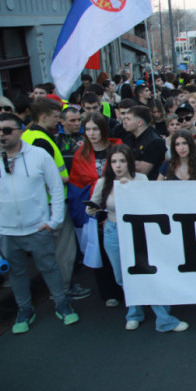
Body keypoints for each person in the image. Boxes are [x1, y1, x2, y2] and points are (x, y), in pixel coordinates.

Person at [0, 113, 80, 334]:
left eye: (7, 130)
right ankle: (24, 309)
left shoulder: (39, 156)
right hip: (5, 230)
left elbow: (56, 189)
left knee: (50, 267)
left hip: (38, 227)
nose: (1, 135)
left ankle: (61, 303)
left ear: (20, 131)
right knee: (17, 273)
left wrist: (55, 221)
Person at [88, 145, 189, 332]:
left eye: (122, 161)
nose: (118, 166)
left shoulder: (141, 179)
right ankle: (134, 312)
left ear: (129, 162)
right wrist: (94, 210)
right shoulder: (103, 183)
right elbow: (92, 207)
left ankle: (164, 318)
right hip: (112, 231)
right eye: (114, 162)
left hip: (138, 232)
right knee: (122, 277)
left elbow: (150, 205)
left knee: (146, 275)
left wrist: (132, 189)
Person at [22, 98, 90, 301]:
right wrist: (71, 179)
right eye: (56, 117)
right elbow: (44, 174)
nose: (58, 120)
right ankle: (64, 289)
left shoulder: (28, 135)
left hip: (44, 201)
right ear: (43, 117)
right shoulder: (41, 140)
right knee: (64, 250)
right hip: (54, 201)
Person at [67, 113, 123, 308]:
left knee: (121, 251)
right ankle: (109, 292)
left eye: (95, 129)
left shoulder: (117, 149)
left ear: (103, 130)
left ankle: (127, 289)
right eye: (88, 129)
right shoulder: (80, 155)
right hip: (93, 210)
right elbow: (76, 187)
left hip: (117, 206)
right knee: (101, 252)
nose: (91, 133)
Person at [122, 105, 166, 180]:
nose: (125, 122)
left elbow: (142, 171)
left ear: (139, 123)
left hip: (149, 185)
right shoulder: (129, 138)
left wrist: (126, 162)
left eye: (128, 119)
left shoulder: (155, 142)